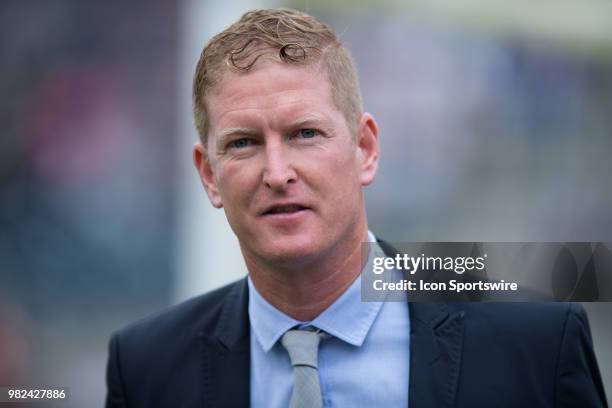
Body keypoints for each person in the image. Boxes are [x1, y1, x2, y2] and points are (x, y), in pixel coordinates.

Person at [105, 8, 607, 408]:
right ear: (209, 174)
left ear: (365, 149)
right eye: (243, 143)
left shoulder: (535, 336)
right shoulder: (148, 366)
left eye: (305, 134)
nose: (277, 172)